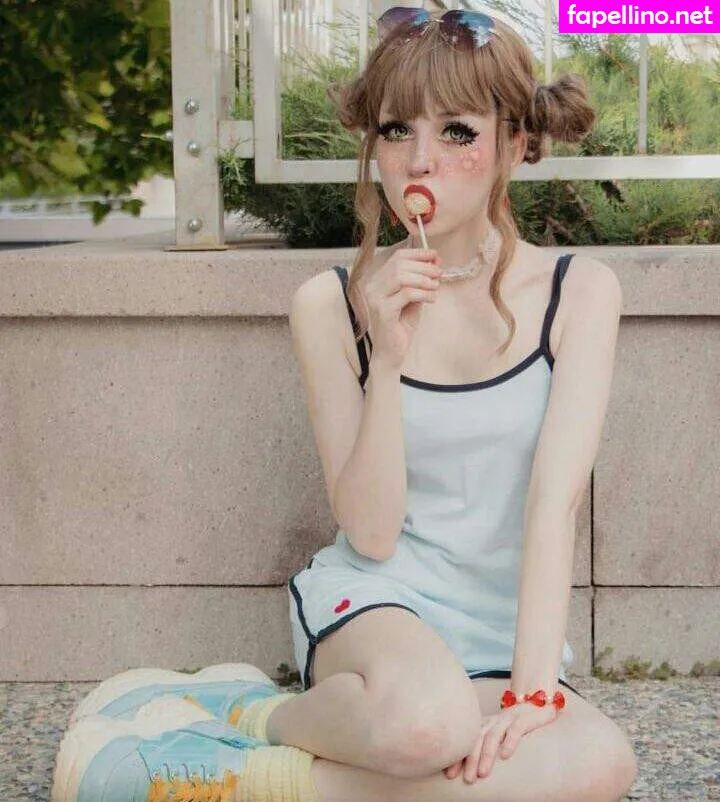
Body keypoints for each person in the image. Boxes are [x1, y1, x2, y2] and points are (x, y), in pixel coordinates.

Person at [240, 7, 638, 802]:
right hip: (380, 608)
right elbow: (372, 532)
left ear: (514, 145)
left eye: (458, 132)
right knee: (428, 727)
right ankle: (260, 720)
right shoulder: (329, 305)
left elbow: (552, 508)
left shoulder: (580, 293)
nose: (419, 160)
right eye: (396, 130)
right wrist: (387, 358)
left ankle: (249, 779)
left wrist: (532, 692)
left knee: (603, 764)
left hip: (498, 631)